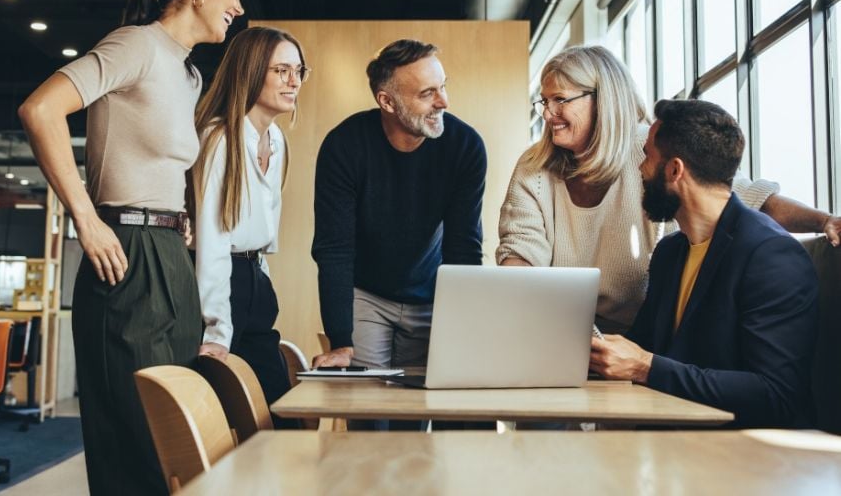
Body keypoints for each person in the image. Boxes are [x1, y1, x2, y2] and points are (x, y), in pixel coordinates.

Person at [17, 0, 244, 495]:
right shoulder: (134, 45)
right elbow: (39, 110)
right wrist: (87, 219)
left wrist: (180, 218)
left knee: (178, 437)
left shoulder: (188, 75)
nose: (239, 6)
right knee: (136, 440)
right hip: (124, 253)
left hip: (169, 256)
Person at [498, 45, 839, 334]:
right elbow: (521, 257)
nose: (548, 114)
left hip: (646, 335)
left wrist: (823, 221)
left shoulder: (650, 151)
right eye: (543, 102)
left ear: (603, 100)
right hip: (559, 328)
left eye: (559, 100)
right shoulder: (535, 168)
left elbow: (744, 198)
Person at [590, 99, 818, 428]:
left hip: (756, 461)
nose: (640, 169)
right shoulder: (670, 254)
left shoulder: (772, 256)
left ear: (674, 170)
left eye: (648, 157)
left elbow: (776, 394)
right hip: (676, 445)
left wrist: (646, 367)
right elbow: (641, 348)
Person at [311, 39, 487, 375]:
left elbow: (463, 246)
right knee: (369, 409)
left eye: (443, 87)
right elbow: (334, 249)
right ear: (387, 101)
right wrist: (340, 341)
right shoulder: (344, 146)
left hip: (434, 292)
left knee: (418, 408)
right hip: (366, 294)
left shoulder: (466, 147)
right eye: (427, 93)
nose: (444, 102)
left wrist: (466, 329)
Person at [191, 26, 307, 410]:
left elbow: (264, 230)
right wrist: (218, 330)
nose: (294, 82)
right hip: (223, 284)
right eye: (282, 71)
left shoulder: (276, 139)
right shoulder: (219, 137)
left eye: (299, 71)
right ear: (252, 71)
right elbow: (212, 240)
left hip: (255, 279)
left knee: (277, 409)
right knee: (224, 412)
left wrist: (264, 283)